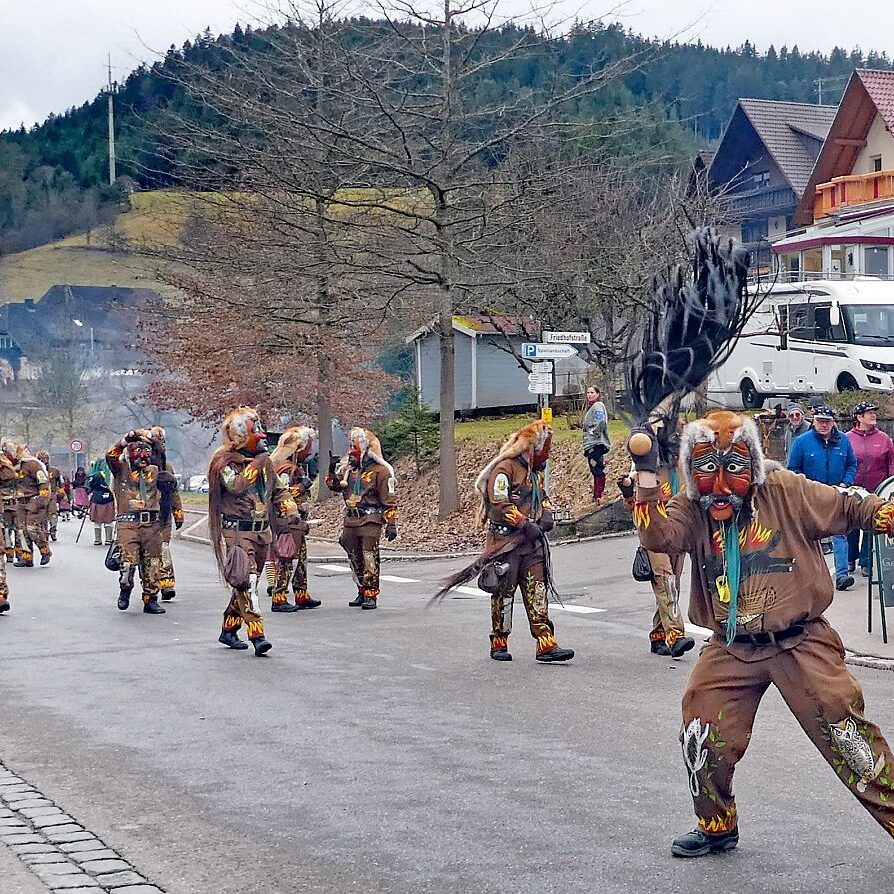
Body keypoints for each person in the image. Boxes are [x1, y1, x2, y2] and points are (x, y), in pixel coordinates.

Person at [627, 409, 894, 858]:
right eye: (706, 468)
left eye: (733, 467)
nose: (720, 485)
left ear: (751, 461)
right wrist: (646, 476)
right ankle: (716, 823)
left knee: (850, 740)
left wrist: (884, 513)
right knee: (701, 734)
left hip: (800, 640)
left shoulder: (784, 489)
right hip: (731, 645)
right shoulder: (692, 506)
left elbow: (848, 505)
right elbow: (659, 538)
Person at [474, 419, 574, 662]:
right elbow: (499, 503)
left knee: (537, 591)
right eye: (544, 448)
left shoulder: (535, 474)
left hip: (532, 546)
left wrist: (547, 514)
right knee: (503, 593)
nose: (546, 453)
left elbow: (544, 497)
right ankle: (499, 641)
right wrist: (523, 522)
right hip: (505, 544)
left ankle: (546, 644)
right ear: (532, 448)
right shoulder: (505, 469)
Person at [208, 406, 299, 655]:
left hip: (262, 532)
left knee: (247, 583)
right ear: (240, 435)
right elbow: (236, 486)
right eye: (254, 429)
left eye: (260, 428)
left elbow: (279, 490)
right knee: (247, 582)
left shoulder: (265, 463)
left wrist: (290, 511)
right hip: (237, 534)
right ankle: (257, 634)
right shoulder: (223, 462)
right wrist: (258, 463)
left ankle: (228, 629)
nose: (261, 435)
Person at [620, 417, 695, 659]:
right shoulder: (647, 469)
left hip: (678, 530)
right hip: (654, 531)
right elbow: (634, 503)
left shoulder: (685, 466)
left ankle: (658, 634)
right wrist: (627, 491)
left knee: (674, 583)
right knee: (665, 580)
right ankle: (675, 635)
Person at [326, 427, 398, 610]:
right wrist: (331, 470)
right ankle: (360, 589)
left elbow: (389, 499)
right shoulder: (349, 471)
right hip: (350, 520)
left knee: (369, 556)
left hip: (370, 520)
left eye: (355, 447)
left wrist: (391, 523)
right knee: (353, 555)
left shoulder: (381, 471)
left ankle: (371, 593)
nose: (351, 451)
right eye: (350, 446)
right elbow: (335, 486)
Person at [787, 405, 858, 590]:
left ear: (833, 422)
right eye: (820, 421)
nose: (823, 425)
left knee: (839, 534)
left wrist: (845, 483)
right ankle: (809, 579)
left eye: (827, 422)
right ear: (814, 421)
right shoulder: (802, 442)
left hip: (836, 494)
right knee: (809, 537)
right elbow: (793, 469)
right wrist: (804, 489)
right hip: (810, 497)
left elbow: (851, 464)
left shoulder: (843, 440)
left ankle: (842, 575)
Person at [106, 431, 174, 615]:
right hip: (129, 525)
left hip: (152, 525)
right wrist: (127, 439)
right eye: (138, 450)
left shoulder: (155, 470)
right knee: (128, 563)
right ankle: (125, 589)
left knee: (153, 564)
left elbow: (162, 459)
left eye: (147, 451)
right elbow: (110, 455)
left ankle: (150, 599)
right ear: (129, 452)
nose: (143, 455)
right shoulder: (120, 469)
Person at [269, 424, 320, 612]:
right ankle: (279, 597)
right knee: (287, 557)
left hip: (298, 522)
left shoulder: (295, 467)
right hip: (289, 521)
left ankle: (301, 594)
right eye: (308, 446)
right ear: (298, 448)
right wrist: (305, 484)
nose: (310, 450)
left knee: (301, 558)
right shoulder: (287, 469)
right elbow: (283, 493)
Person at [846, 401, 894, 577]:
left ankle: (867, 561)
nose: (873, 415)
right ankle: (850, 559)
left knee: (870, 525)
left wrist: (890, 487)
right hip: (853, 490)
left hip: (876, 489)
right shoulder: (847, 438)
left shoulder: (884, 439)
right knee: (850, 524)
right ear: (859, 417)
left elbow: (891, 464)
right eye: (869, 413)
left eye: (874, 412)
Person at [1, 438, 52, 567]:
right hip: (19, 500)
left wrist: (42, 499)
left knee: (31, 528)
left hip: (34, 499)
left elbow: (43, 482)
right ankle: (26, 558)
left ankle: (45, 550)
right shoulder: (10, 466)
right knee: (21, 530)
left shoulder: (32, 464)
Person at [148, 426, 184, 601]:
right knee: (150, 553)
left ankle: (167, 584)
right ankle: (151, 585)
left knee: (163, 548)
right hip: (146, 516)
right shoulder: (140, 465)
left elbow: (174, 491)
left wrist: (178, 512)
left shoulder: (168, 467)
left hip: (164, 515)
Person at [582, 385, 611, 503]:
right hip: (592, 443)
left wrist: (594, 432)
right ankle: (597, 495)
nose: (589, 395)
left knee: (597, 468)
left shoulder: (597, 406)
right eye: (588, 392)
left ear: (598, 394)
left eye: (592, 392)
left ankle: (599, 495)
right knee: (595, 469)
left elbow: (601, 421)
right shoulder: (592, 407)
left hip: (595, 443)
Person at [87, 457, 116, 546]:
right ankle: (108, 539)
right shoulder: (111, 475)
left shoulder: (95, 475)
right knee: (109, 520)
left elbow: (90, 486)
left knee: (97, 521)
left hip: (96, 499)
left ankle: (97, 540)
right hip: (109, 499)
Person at [36, 451, 63, 542]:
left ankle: (53, 530)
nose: (44, 461)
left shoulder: (55, 470)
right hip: (40, 496)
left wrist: (61, 493)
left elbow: (61, 482)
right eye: (41, 459)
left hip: (52, 496)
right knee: (42, 516)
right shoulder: (35, 471)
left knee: (53, 514)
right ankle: (44, 532)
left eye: (45, 459)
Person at [0, 447, 19, 562]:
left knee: (19, 530)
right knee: (6, 530)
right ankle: (9, 553)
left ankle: (20, 554)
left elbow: (12, 476)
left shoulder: (17, 468)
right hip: (4, 504)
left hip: (16, 502)